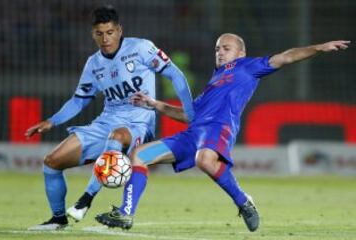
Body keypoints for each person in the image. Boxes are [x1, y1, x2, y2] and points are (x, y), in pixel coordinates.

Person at [94, 33, 350, 232]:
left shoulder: (248, 67)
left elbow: (287, 56)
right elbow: (187, 116)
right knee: (139, 154)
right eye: (217, 48)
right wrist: (154, 104)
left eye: (226, 48)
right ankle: (126, 214)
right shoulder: (213, 82)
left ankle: (243, 201)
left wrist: (319, 48)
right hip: (193, 134)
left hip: (219, 128)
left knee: (204, 160)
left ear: (241, 52)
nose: (220, 52)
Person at [25, 5, 194, 231]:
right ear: (93, 34)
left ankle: (86, 199)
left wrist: (190, 111)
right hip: (106, 121)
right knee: (51, 162)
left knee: (117, 136)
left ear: (119, 30)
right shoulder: (93, 64)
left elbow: (175, 73)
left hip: (138, 122)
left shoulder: (142, 48)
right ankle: (58, 219)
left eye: (110, 32)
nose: (105, 39)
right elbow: (79, 100)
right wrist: (52, 120)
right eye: (99, 34)